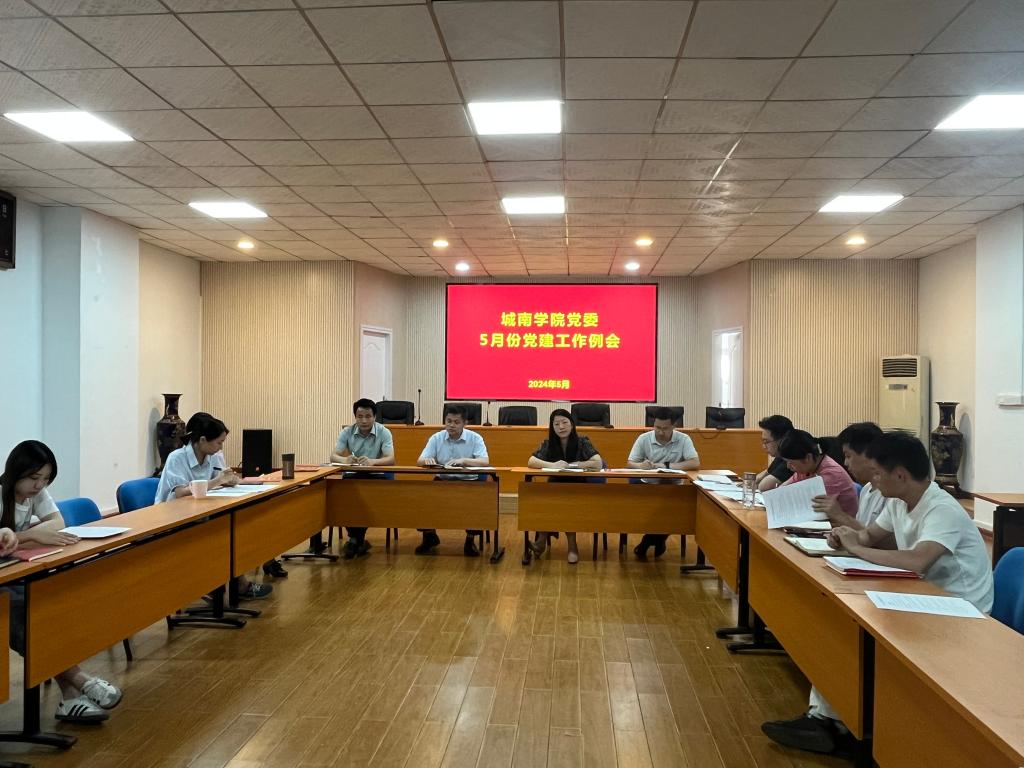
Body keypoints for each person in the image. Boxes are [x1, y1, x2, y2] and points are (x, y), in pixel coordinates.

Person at [762, 431, 993, 758]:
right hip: (920, 593)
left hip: (958, 608)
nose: (873, 481)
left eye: (878, 474)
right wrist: (844, 536)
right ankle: (829, 721)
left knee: (853, 631)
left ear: (900, 475)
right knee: (841, 623)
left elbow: (917, 560)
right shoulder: (899, 501)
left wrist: (857, 548)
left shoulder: (942, 509)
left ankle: (838, 725)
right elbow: (869, 536)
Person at [0, 440, 123, 723]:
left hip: (15, 574)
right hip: (5, 585)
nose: (40, 485)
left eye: (45, 479)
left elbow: (57, 522)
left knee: (50, 606)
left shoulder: (35, 492)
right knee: (26, 615)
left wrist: (23, 536)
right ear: (16, 471)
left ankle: (70, 697)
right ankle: (80, 681)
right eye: (34, 478)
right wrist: (31, 535)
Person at [156, 412, 272, 599]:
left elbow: (220, 480)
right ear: (202, 440)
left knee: (237, 526)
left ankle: (228, 583)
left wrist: (231, 480)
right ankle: (229, 585)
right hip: (174, 519)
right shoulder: (177, 458)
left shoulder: (213, 456)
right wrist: (217, 481)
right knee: (221, 533)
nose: (221, 447)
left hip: (202, 513)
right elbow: (180, 493)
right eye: (219, 443)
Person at [526, 409, 604, 564]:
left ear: (572, 424)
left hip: (578, 488)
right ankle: (548, 544)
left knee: (565, 503)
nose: (561, 427)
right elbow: (531, 461)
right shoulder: (549, 443)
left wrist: (573, 465)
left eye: (564, 422)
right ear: (552, 427)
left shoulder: (582, 442)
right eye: (556, 424)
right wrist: (552, 465)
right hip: (554, 488)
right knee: (546, 502)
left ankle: (566, 546)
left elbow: (598, 463)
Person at [416, 404, 490, 557]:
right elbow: (420, 460)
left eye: (456, 422)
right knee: (423, 497)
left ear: (464, 423)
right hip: (444, 479)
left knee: (476, 502)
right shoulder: (437, 438)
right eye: (448, 421)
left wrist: (464, 460)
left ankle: (470, 540)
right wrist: (427, 461)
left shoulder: (475, 438)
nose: (451, 425)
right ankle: (429, 536)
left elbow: (484, 461)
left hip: (469, 481)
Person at [626, 406, 700, 559]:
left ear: (673, 426)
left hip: (674, 487)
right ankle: (659, 540)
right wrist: (641, 466)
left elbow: (694, 463)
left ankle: (647, 541)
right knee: (661, 509)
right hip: (648, 486)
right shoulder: (644, 438)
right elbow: (630, 463)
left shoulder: (683, 439)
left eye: (664, 429)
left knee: (677, 507)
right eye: (657, 427)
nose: (660, 432)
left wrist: (667, 466)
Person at [331, 398, 396, 559]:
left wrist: (373, 462)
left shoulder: (384, 432)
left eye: (368, 416)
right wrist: (345, 460)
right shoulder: (347, 432)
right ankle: (358, 540)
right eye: (360, 417)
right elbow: (333, 456)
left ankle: (355, 539)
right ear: (355, 417)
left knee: (364, 498)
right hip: (354, 475)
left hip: (377, 476)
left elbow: (390, 459)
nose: (364, 421)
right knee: (343, 497)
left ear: (375, 417)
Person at [810, 422, 889, 531]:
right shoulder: (866, 489)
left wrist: (839, 515)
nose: (845, 463)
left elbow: (874, 538)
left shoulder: (890, 494)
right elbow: (860, 532)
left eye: (848, 456)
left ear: (869, 454)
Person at [777, 429, 858, 519]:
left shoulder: (831, 475)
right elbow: (783, 490)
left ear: (808, 458)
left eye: (791, 462)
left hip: (840, 525)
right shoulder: (807, 467)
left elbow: (814, 512)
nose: (788, 466)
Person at [755, 415, 794, 491]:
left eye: (766, 442)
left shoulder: (793, 457)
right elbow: (762, 476)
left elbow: (764, 486)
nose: (764, 446)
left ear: (781, 440)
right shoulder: (780, 455)